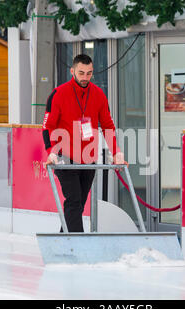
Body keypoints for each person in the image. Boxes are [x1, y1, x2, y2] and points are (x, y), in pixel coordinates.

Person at [42, 54, 126, 232]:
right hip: (64, 156)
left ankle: (63, 240)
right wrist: (50, 151)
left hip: (88, 157)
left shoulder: (98, 94)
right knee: (73, 201)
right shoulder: (58, 94)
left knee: (78, 204)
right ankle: (77, 246)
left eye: (89, 73)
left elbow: (108, 126)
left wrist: (116, 152)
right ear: (72, 71)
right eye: (81, 73)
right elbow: (47, 127)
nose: (85, 78)